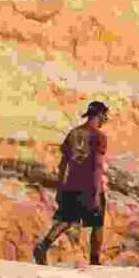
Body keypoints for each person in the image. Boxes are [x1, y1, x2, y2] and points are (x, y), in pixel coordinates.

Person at [33, 102, 110, 266]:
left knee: (66, 220)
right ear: (100, 115)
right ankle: (95, 261)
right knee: (97, 223)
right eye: (105, 116)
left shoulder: (73, 134)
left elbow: (63, 163)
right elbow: (96, 165)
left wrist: (60, 187)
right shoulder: (99, 137)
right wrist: (97, 192)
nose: (105, 120)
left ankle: (43, 245)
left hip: (72, 184)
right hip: (90, 186)